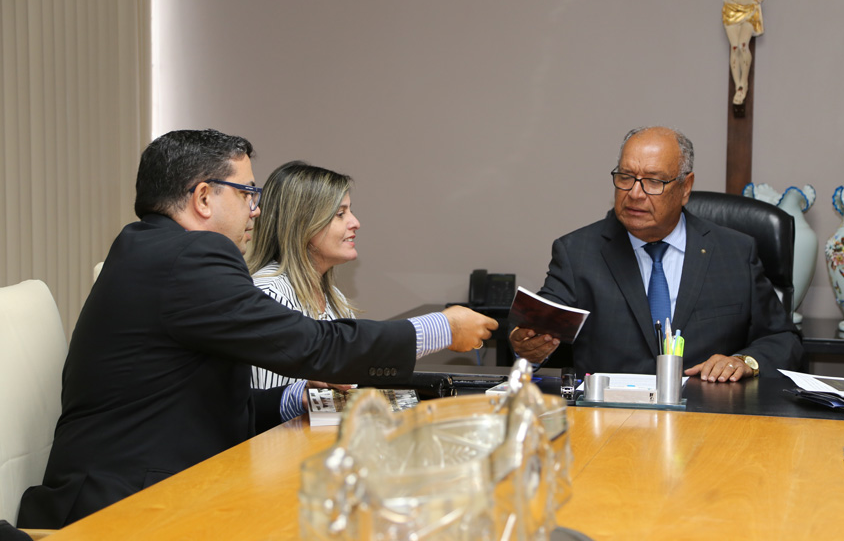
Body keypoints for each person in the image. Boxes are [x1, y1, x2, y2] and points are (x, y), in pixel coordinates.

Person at [17, 129, 496, 529]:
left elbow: (194, 400)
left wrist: (293, 398)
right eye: (248, 193)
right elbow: (313, 346)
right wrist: (441, 328)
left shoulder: (149, 249)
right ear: (204, 197)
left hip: (156, 486)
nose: (256, 210)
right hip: (127, 510)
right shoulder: (191, 256)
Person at [510, 126, 802, 382]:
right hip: (610, 416)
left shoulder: (735, 252)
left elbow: (782, 339)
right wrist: (526, 345)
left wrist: (744, 362)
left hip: (708, 414)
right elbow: (536, 324)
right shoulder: (578, 253)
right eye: (626, 177)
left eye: (653, 181)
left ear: (685, 187)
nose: (635, 193)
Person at [245, 161, 359, 396]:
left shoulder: (336, 299)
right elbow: (266, 407)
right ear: (303, 224)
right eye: (340, 214)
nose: (355, 223)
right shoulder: (268, 296)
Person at [690, 0, 798, 106]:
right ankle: (738, 86)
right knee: (734, 48)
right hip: (731, 8)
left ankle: (744, 83)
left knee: (742, 45)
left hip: (749, 8)